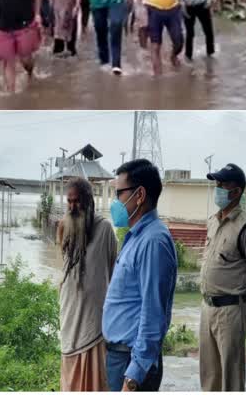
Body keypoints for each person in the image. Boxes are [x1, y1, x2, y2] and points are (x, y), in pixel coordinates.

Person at [103, 159, 177, 392]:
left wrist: (133, 376)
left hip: (131, 363)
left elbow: (153, 313)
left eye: (119, 194)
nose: (115, 202)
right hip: (119, 357)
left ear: (140, 194)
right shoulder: (136, 237)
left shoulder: (153, 242)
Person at [199, 164, 246, 392]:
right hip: (207, 307)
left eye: (222, 185)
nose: (217, 189)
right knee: (209, 375)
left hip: (230, 311)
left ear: (236, 192)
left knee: (230, 378)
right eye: (216, 184)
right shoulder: (213, 221)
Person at [58, 178, 117, 391]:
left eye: (77, 201)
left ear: (89, 201)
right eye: (69, 202)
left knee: (94, 380)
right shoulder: (65, 226)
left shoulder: (105, 230)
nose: (73, 207)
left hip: (94, 321)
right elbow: (65, 267)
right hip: (70, 314)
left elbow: (112, 273)